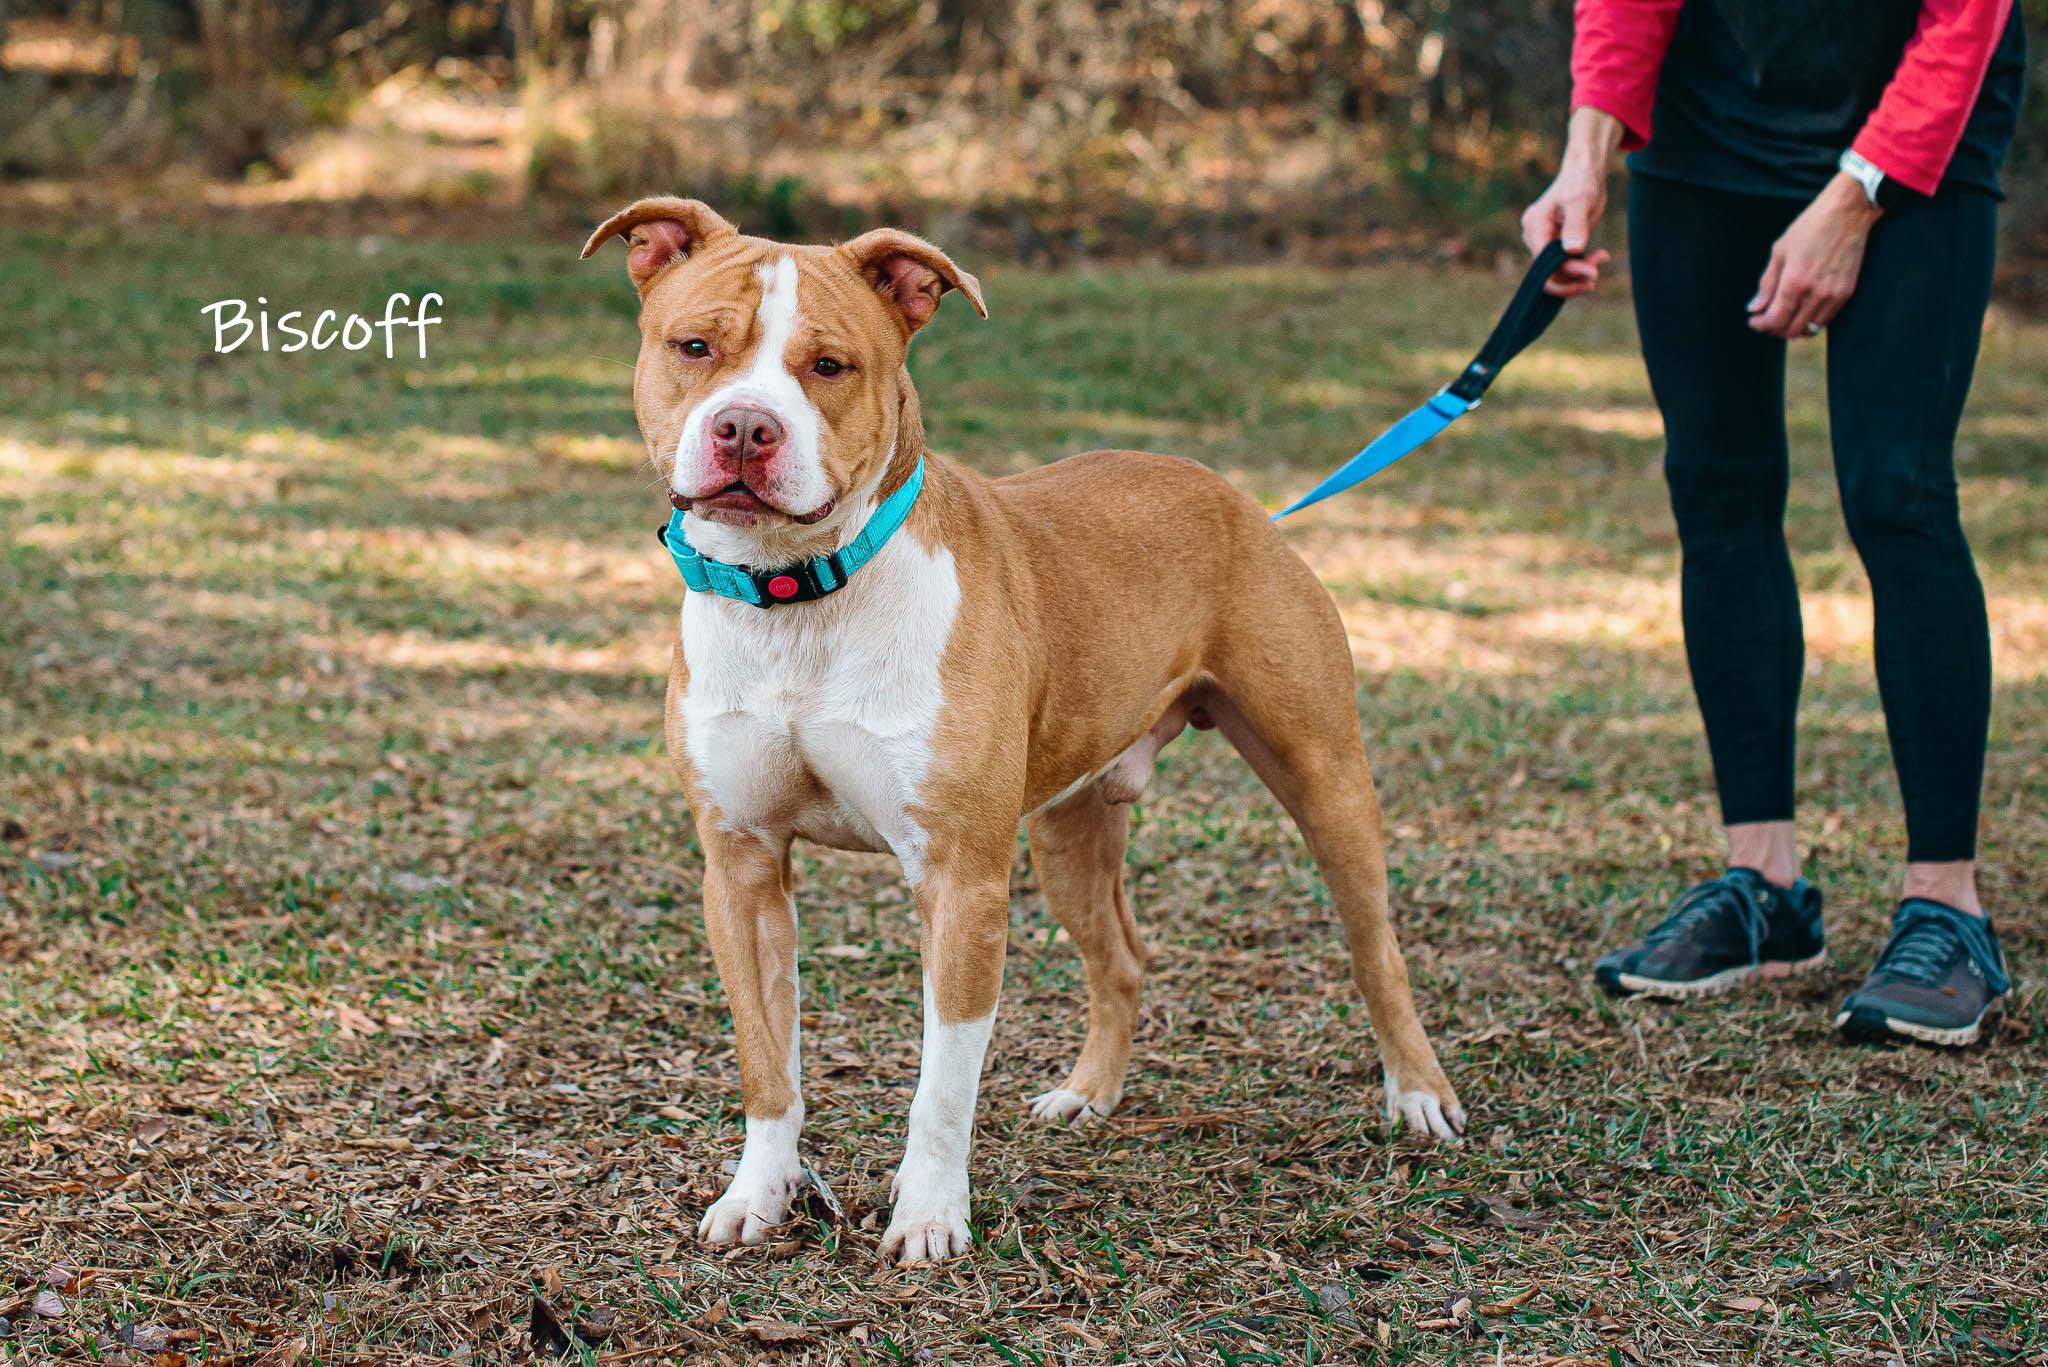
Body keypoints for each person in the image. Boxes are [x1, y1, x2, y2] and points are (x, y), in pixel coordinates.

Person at [1521, 0, 2025, 1045]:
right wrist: (1585, 156)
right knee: (1715, 488)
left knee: (1896, 492)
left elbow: (1966, 15)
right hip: (1709, 126)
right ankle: (1764, 888)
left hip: (1919, 127)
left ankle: (1947, 909)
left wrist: (1854, 198)